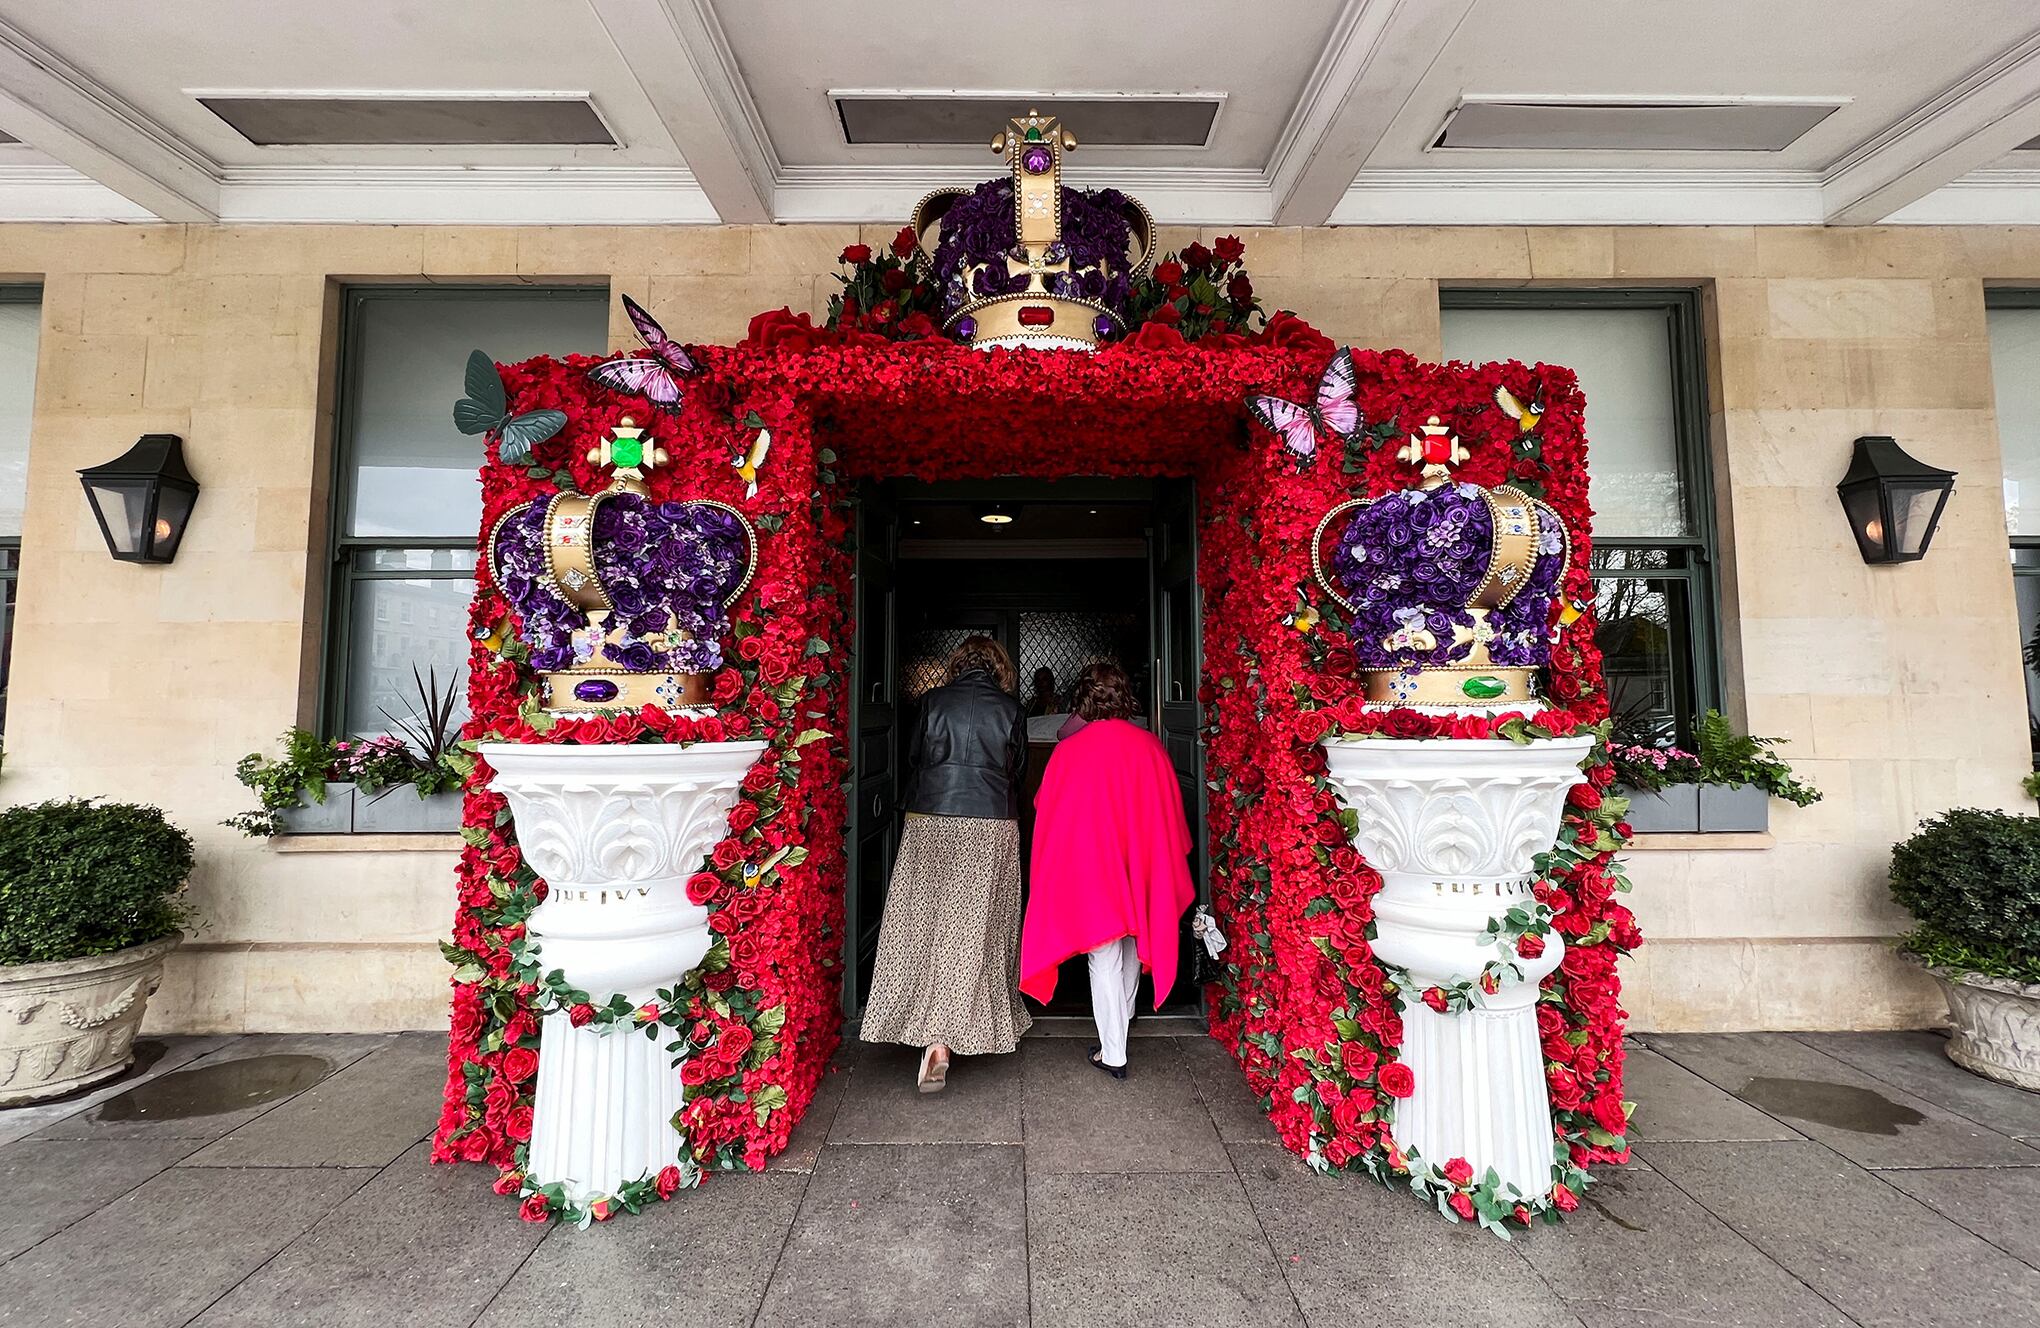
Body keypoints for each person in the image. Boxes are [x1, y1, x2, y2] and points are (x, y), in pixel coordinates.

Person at [861, 635, 1031, 1092]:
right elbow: (1018, 771)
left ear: (958, 664)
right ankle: (955, 1033)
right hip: (991, 822)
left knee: (920, 922)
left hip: (931, 818)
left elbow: (916, 757)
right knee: (977, 926)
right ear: (998, 668)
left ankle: (925, 1030)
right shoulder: (1011, 708)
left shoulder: (933, 702)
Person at [1020, 659, 1194, 1078]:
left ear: (1082, 700)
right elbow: (1170, 812)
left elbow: (1046, 808)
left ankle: (1114, 1051)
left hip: (1092, 862)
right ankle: (1123, 1021)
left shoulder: (1069, 751)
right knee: (1135, 939)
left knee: (1104, 953)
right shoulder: (1150, 745)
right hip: (1143, 860)